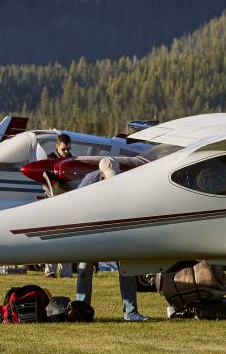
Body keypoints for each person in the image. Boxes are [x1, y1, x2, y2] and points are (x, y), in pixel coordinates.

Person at [74, 158, 148, 321]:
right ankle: (82, 311)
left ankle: (131, 312)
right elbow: (77, 207)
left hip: (116, 227)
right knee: (84, 269)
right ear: (101, 174)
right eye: (109, 176)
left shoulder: (123, 180)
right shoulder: (88, 182)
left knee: (126, 268)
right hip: (91, 228)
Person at [42, 133, 75, 276]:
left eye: (68, 149)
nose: (66, 152)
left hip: (67, 204)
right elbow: (46, 183)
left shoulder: (72, 160)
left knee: (67, 239)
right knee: (52, 237)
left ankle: (66, 272)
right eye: (64, 149)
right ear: (57, 146)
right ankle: (50, 270)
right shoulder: (49, 161)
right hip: (51, 203)